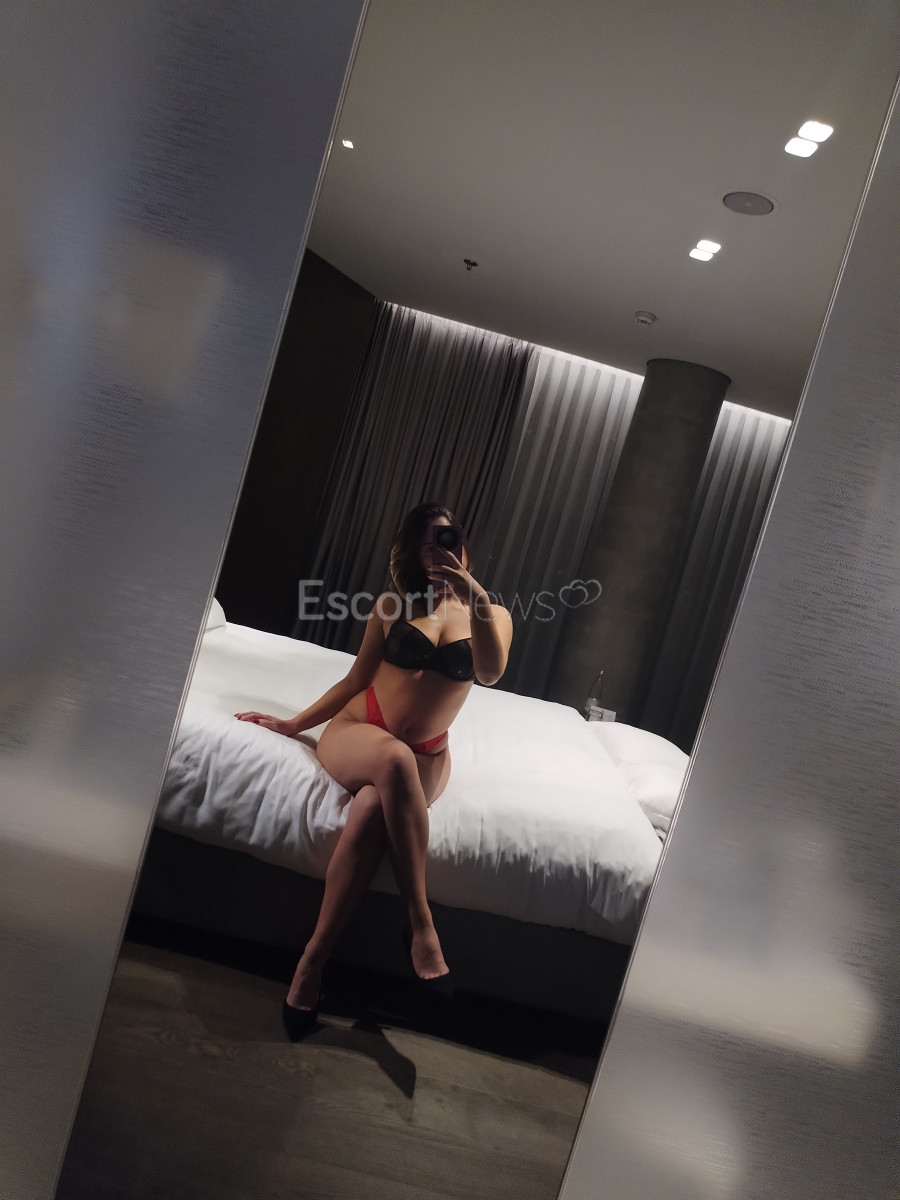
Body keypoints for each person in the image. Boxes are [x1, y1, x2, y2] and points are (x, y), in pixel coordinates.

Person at [235, 502, 512, 1038]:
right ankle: (420, 925)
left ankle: (311, 964)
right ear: (414, 554)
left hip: (427, 757)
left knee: (369, 811)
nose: (439, 553)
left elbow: (490, 672)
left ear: (464, 546)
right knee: (392, 757)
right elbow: (355, 680)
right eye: (427, 544)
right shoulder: (392, 605)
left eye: (448, 539)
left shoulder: (494, 615)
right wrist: (294, 725)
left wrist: (473, 593)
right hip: (360, 733)